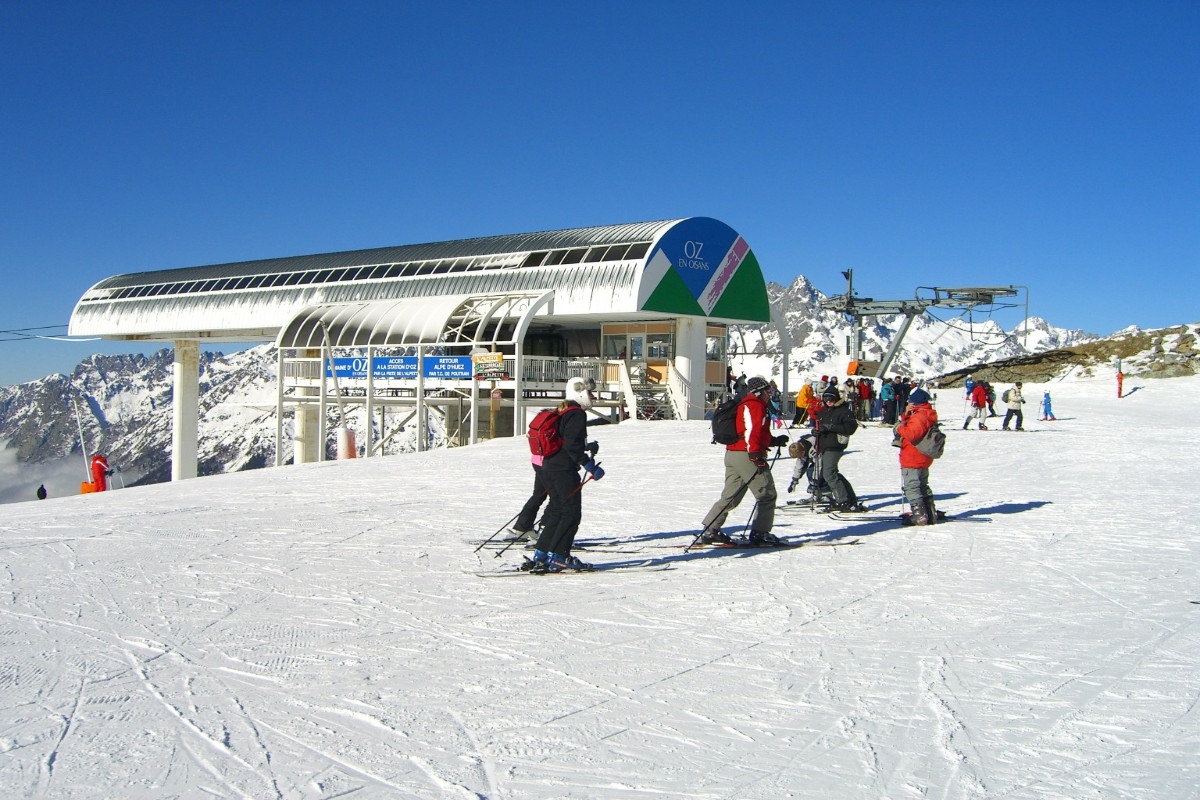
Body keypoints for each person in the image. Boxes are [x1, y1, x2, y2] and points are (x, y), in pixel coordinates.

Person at [699, 375, 788, 545]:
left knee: (730, 496)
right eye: (767, 390)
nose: (770, 393)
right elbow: (751, 431)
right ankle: (760, 533)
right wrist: (755, 454)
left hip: (733, 453)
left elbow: (753, 431)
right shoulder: (754, 405)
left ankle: (711, 529)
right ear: (759, 391)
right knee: (766, 494)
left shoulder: (747, 404)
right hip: (746, 454)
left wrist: (773, 441)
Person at [527, 377, 604, 572]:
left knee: (557, 510)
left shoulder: (561, 411)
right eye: (590, 393)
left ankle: (542, 554)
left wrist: (584, 447)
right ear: (580, 393)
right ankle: (560, 556)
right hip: (563, 471)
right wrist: (589, 465)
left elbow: (564, 441)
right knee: (570, 513)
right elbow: (571, 445)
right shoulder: (576, 414)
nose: (593, 396)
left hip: (548, 468)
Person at [813, 386, 863, 512]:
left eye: (831, 398)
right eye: (826, 398)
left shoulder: (843, 411)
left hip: (835, 445)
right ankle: (849, 498)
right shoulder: (823, 411)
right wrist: (816, 432)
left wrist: (831, 427)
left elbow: (851, 427)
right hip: (824, 445)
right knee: (833, 473)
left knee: (829, 474)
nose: (828, 401)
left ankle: (843, 501)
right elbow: (820, 426)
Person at [895, 387, 939, 525]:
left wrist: (898, 427)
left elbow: (911, 434)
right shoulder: (927, 413)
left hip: (913, 456)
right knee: (922, 485)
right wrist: (906, 414)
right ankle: (930, 513)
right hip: (923, 456)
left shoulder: (919, 416)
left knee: (912, 486)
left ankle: (920, 516)